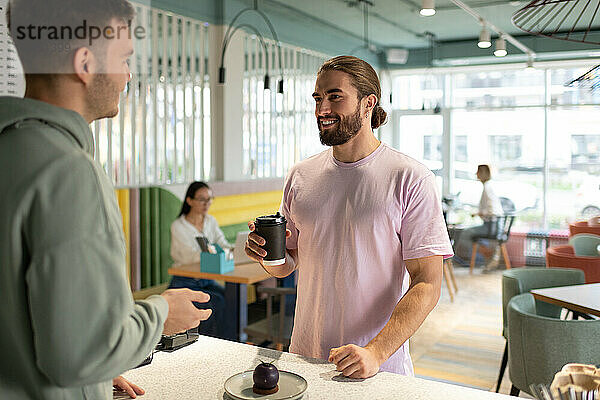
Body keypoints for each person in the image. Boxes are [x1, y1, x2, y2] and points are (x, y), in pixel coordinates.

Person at [1, 1, 211, 398]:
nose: (128, 75)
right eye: (124, 58)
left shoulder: (11, 150)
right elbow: (79, 355)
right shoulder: (68, 171)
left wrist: (97, 374)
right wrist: (161, 313)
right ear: (85, 64)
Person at [245, 55, 453, 378]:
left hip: (379, 368)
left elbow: (428, 284)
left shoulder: (410, 177)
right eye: (318, 98)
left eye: (334, 97)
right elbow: (288, 263)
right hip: (306, 361)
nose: (321, 109)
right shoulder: (301, 175)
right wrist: (265, 254)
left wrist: (376, 352)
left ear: (368, 103)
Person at [169, 181, 231, 338]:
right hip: (185, 281)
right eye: (202, 199)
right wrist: (214, 253)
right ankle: (211, 346)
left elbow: (222, 243)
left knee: (230, 298)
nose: (207, 203)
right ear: (189, 201)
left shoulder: (211, 221)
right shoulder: (178, 226)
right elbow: (188, 256)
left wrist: (229, 249)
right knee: (215, 303)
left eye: (209, 199)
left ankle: (231, 342)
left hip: (206, 280)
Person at [454, 164, 504, 271]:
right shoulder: (488, 186)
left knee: (464, 233)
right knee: (467, 233)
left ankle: (486, 253)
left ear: (482, 173)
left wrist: (479, 213)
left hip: (491, 227)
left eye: (478, 171)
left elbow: (492, 210)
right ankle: (486, 253)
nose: (476, 174)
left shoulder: (487, 187)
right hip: (493, 225)